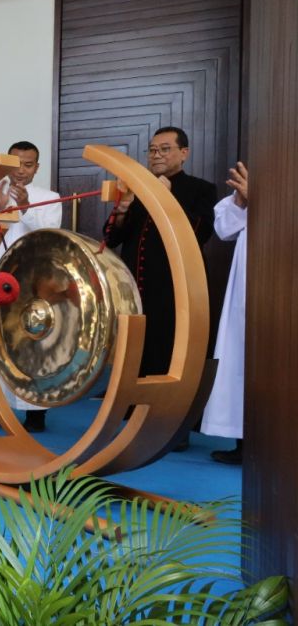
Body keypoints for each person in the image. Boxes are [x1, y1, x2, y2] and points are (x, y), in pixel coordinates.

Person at [104, 126, 216, 449]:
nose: (157, 156)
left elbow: (202, 232)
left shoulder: (200, 189)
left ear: (184, 153)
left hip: (175, 289)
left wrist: (168, 197)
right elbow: (111, 238)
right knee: (137, 349)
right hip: (136, 287)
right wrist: (124, 208)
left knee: (171, 352)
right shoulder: (137, 188)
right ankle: (133, 416)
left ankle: (171, 426)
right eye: (153, 150)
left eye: (165, 149)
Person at [0, 141, 61, 432]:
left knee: (34, 344)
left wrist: (24, 207)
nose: (21, 170)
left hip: (34, 280)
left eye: (28, 164)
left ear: (37, 167)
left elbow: (48, 237)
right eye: (16, 163)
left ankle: (35, 410)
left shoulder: (50, 197)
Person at [201, 161, 248, 464]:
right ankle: (245, 443)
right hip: (248, 282)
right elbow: (224, 229)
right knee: (241, 356)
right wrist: (243, 202)